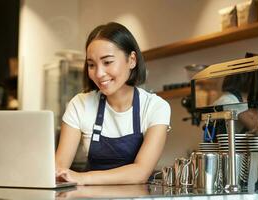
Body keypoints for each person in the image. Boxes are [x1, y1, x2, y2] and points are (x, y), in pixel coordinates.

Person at [55, 22, 171, 185]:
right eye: (91, 65)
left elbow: (140, 172)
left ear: (131, 60)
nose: (99, 73)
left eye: (107, 62)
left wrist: (82, 177)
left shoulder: (156, 107)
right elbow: (58, 167)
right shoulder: (80, 104)